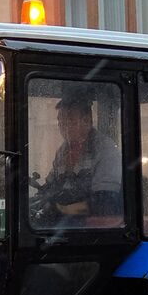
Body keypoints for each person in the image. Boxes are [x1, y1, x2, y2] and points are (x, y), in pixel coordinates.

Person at [38, 93, 123, 222]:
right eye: (60, 120)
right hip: (66, 222)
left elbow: (105, 202)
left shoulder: (105, 150)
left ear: (87, 121)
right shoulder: (62, 152)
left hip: (91, 228)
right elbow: (50, 186)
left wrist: (63, 209)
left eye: (70, 119)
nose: (63, 125)